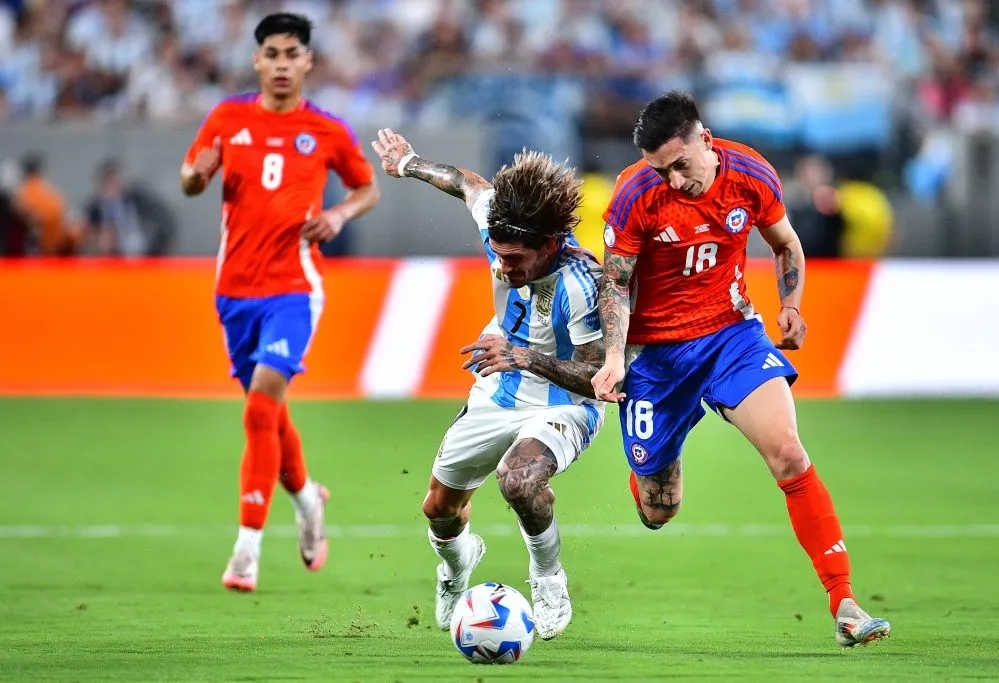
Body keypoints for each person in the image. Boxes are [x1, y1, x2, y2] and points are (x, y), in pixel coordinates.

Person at [591, 91, 891, 648]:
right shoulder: (635, 192)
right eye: (661, 170)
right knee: (659, 510)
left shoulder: (751, 173)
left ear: (705, 139)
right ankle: (656, 458)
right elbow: (614, 283)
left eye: (681, 165)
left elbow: (786, 244)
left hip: (731, 335)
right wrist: (613, 358)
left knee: (789, 453)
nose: (674, 181)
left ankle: (844, 602)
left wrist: (792, 306)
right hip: (655, 356)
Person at [371, 128, 604, 641]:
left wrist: (523, 356)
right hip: (499, 388)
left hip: (564, 401)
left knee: (517, 481)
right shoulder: (502, 223)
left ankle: (548, 578)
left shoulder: (582, 286)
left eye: (515, 259)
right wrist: (408, 163)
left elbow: (600, 379)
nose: (502, 266)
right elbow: (467, 183)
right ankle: (457, 567)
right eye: (498, 254)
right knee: (438, 509)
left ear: (548, 245)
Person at [179, 12, 380, 592]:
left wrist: (338, 214)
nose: (283, 64)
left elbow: (367, 188)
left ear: (308, 61)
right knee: (268, 411)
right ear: (257, 61)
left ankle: (246, 548)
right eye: (272, 54)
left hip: (294, 287)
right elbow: (189, 178)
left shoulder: (327, 129)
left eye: (293, 54)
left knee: (260, 403)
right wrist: (197, 176)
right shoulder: (227, 118)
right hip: (234, 291)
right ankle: (308, 500)